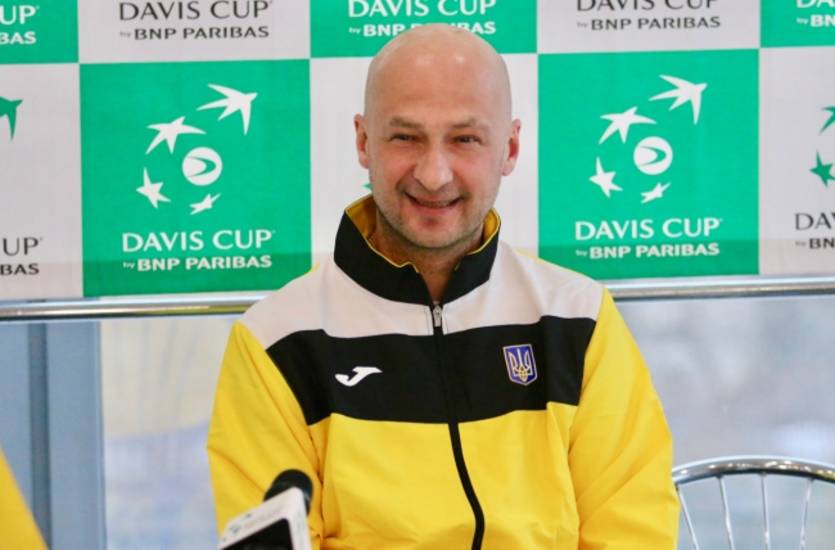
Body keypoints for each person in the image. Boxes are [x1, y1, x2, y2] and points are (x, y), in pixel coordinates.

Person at [208, 24, 679, 549]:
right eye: (405, 137)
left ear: (510, 147)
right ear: (364, 142)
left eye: (465, 139)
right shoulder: (274, 342)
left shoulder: (579, 319)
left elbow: (633, 532)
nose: (434, 175)